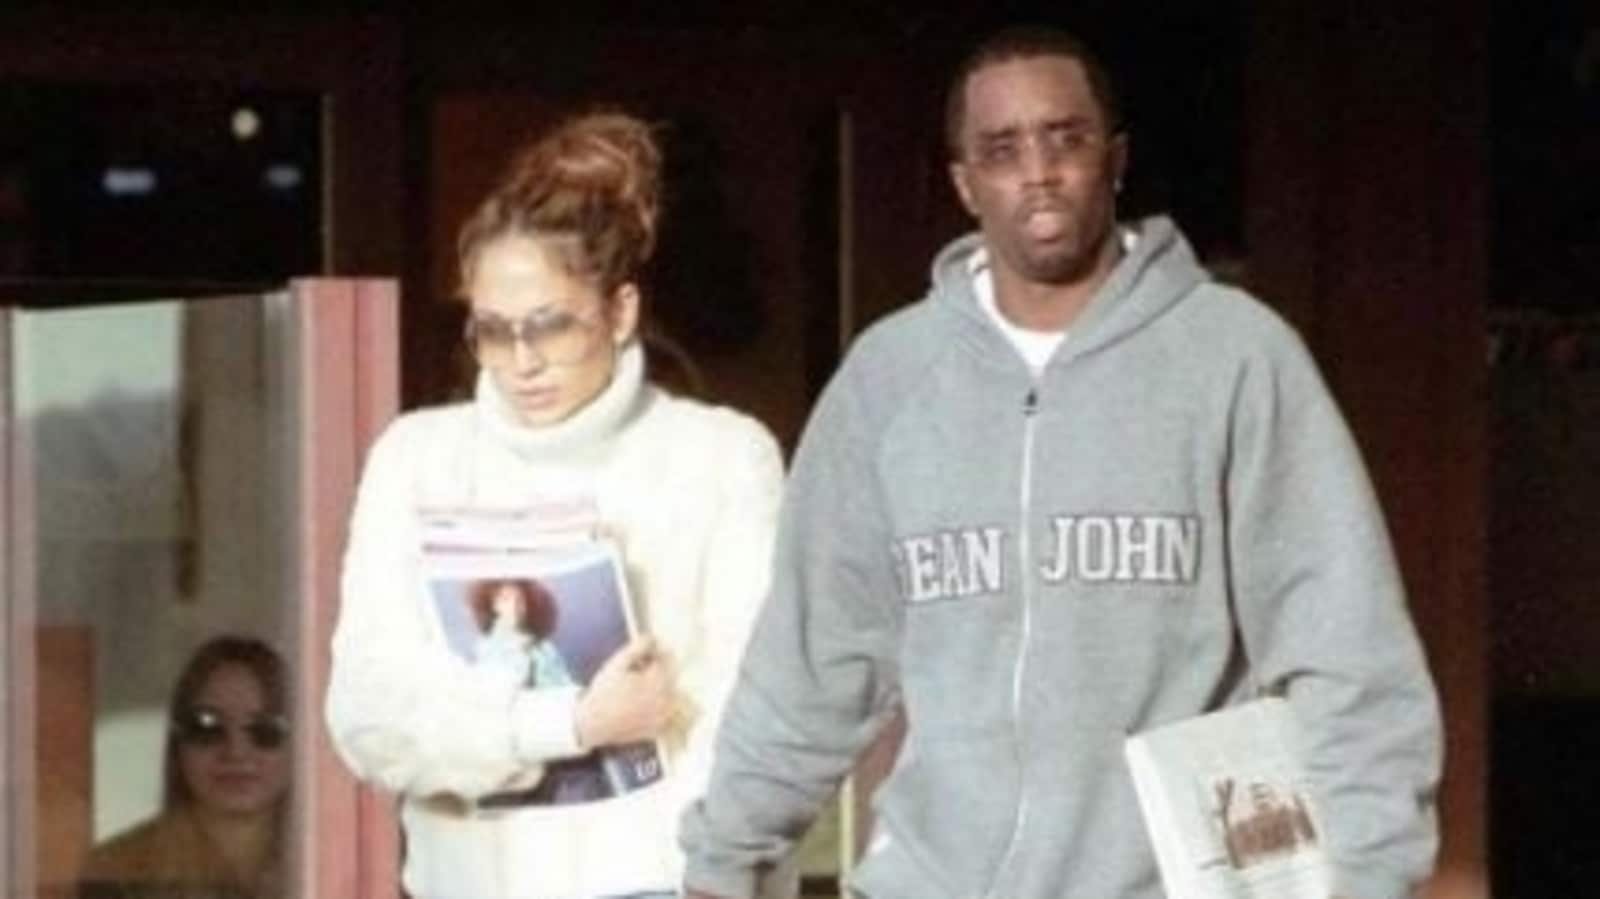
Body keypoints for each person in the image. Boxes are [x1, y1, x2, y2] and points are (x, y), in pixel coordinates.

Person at [679, 25, 1442, 899]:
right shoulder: (889, 379)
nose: (1038, 171)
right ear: (965, 183)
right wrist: (724, 858)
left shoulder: (1236, 357)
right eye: (1002, 150)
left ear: (1115, 160)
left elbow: (1347, 650)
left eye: (1065, 138)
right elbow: (812, 658)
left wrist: (1374, 875)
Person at [324, 111, 792, 899]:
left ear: (620, 311)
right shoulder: (417, 459)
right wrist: (570, 722)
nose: (523, 362)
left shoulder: (721, 457)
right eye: (493, 331)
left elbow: (754, 719)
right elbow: (367, 718)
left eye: (552, 327)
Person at [78, 635, 291, 899]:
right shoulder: (116, 870)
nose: (236, 752)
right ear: (178, 743)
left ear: (302, 747)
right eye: (207, 727)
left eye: (266, 729)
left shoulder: (330, 858)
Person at [467, 577, 576, 689]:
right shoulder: (486, 647)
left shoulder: (543, 648)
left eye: (520, 600)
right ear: (494, 604)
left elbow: (563, 684)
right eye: (506, 599)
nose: (514, 606)